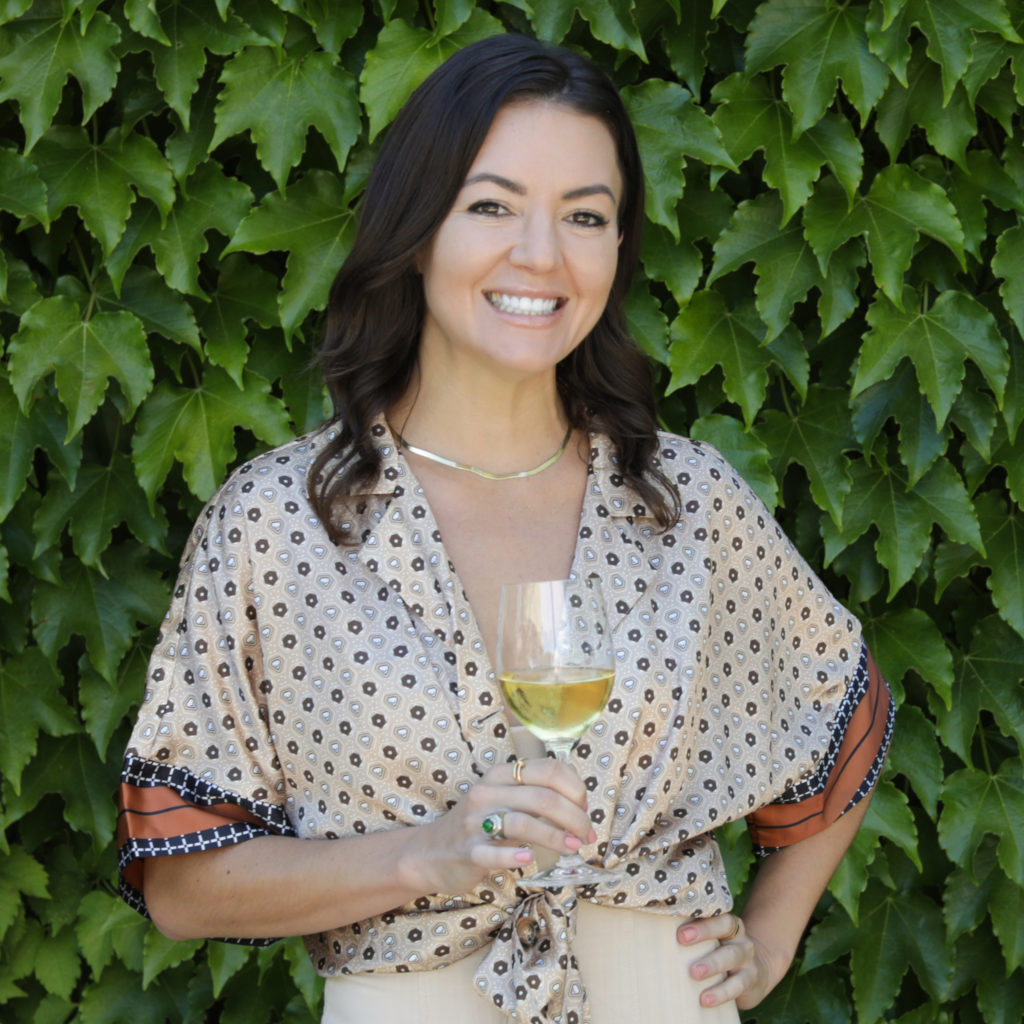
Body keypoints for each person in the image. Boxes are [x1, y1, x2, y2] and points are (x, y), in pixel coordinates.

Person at [117, 33, 894, 1024]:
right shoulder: (279, 522)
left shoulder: (683, 500)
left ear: (618, 246)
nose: (541, 254)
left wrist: (771, 934)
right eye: (491, 205)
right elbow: (184, 886)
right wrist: (426, 852)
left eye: (584, 216)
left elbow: (840, 706)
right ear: (418, 225)